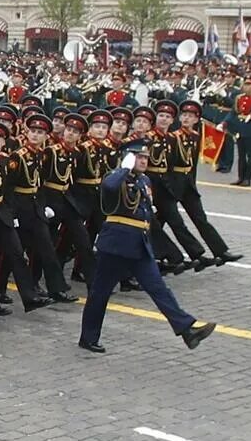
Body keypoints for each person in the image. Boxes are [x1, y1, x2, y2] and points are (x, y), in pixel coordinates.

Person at [77, 141, 216, 354]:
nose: (143, 161)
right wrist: (124, 167)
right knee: (100, 293)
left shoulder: (144, 180)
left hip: (139, 245)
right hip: (115, 246)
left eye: (145, 157)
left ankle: (187, 329)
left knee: (158, 288)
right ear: (128, 158)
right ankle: (88, 338)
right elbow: (109, 187)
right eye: (138, 157)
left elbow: (147, 218)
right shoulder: (116, 177)